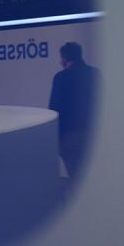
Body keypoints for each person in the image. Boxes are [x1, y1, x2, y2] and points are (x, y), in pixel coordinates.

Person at [49, 42, 99, 180]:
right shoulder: (95, 74)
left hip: (70, 137)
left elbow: (55, 109)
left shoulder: (61, 77)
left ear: (64, 58)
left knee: (77, 178)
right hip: (94, 133)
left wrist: (56, 138)